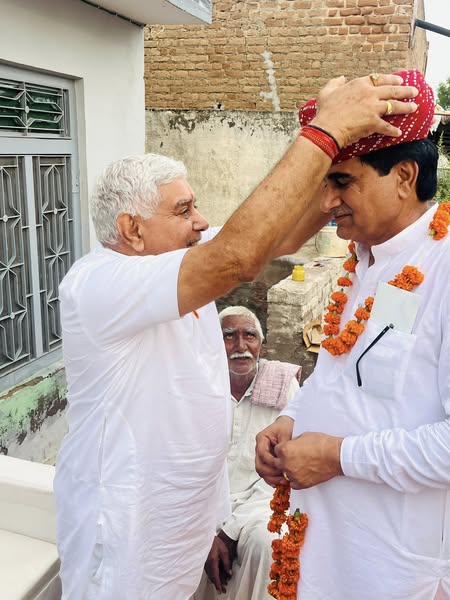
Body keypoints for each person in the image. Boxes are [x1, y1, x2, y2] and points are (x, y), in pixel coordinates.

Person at [53, 72, 419, 600]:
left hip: (182, 532)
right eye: (183, 211)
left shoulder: (179, 265)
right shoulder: (100, 284)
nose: (202, 222)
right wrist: (326, 130)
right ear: (132, 229)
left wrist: (339, 165)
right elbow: (241, 255)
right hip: (125, 537)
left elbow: (277, 233)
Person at [255, 69, 450, 600]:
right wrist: (292, 418)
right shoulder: (363, 262)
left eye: (341, 181)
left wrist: (338, 457)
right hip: (324, 549)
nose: (325, 204)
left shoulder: (443, 268)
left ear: (404, 176)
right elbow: (341, 376)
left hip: (390, 567)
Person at [194, 306, 300, 600]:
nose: (240, 346)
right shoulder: (198, 386)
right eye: (228, 336)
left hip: (261, 503)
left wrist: (230, 530)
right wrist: (206, 531)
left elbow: (283, 473)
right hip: (202, 504)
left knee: (267, 543)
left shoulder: (283, 386)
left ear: (260, 345)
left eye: (249, 335)